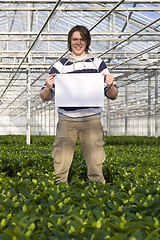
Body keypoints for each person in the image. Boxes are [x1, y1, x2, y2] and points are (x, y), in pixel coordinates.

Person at [40, 25, 118, 184]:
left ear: (87, 42)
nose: (78, 42)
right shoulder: (60, 65)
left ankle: (98, 198)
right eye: (75, 39)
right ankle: (59, 198)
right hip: (66, 121)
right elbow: (44, 97)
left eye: (82, 39)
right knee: (60, 166)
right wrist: (48, 87)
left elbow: (113, 95)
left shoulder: (98, 64)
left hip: (91, 121)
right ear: (70, 41)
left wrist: (110, 85)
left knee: (96, 166)